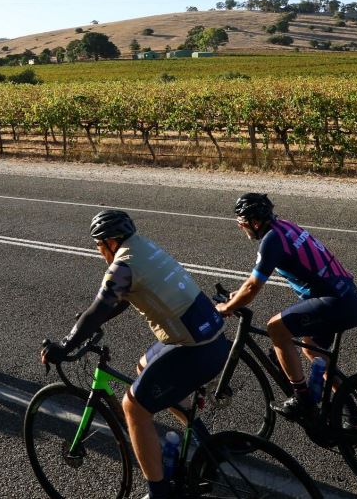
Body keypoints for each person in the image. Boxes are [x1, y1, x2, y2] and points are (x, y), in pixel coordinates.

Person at [43, 210, 229, 499]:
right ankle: (209, 447)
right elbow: (116, 303)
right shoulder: (144, 247)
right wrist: (93, 321)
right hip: (210, 336)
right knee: (144, 366)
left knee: (133, 407)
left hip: (194, 348)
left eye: (98, 245)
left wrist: (65, 345)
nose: (98, 251)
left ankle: (159, 494)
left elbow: (100, 305)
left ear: (109, 242)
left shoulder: (122, 266)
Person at [215, 193, 357, 421]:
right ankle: (354, 418)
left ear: (254, 223)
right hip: (348, 296)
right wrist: (238, 296)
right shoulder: (286, 226)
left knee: (276, 329)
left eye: (242, 224)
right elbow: (252, 283)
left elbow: (253, 287)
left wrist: (227, 307)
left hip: (334, 301)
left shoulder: (272, 239)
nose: (242, 229)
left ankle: (302, 399)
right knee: (312, 350)